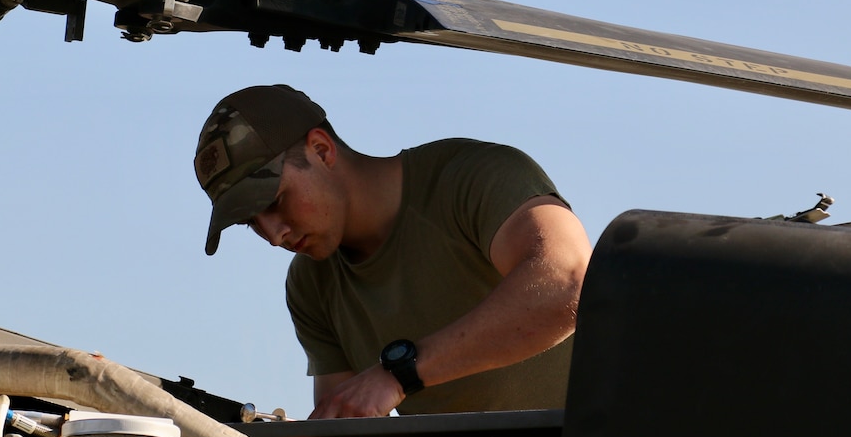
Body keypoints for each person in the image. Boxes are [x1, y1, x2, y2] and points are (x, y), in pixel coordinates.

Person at [193, 85, 591, 419]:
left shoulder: (473, 177)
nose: (274, 235)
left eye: (276, 201)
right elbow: (346, 430)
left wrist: (398, 374)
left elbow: (566, 284)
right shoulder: (311, 283)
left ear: (321, 150)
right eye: (251, 222)